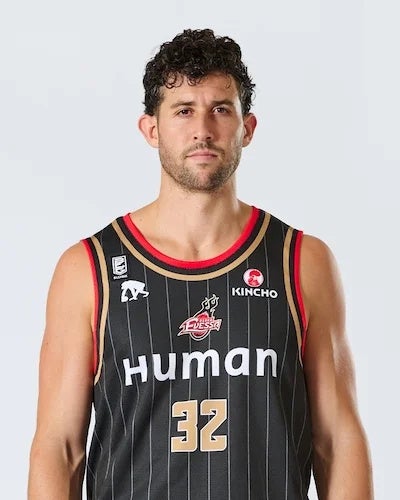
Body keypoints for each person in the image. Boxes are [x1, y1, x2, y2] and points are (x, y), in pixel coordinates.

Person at [28, 28, 373, 499]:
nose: (203, 130)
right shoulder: (89, 269)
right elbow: (60, 447)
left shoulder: (301, 260)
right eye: (184, 110)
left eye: (221, 109)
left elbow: (337, 439)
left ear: (247, 128)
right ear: (151, 129)